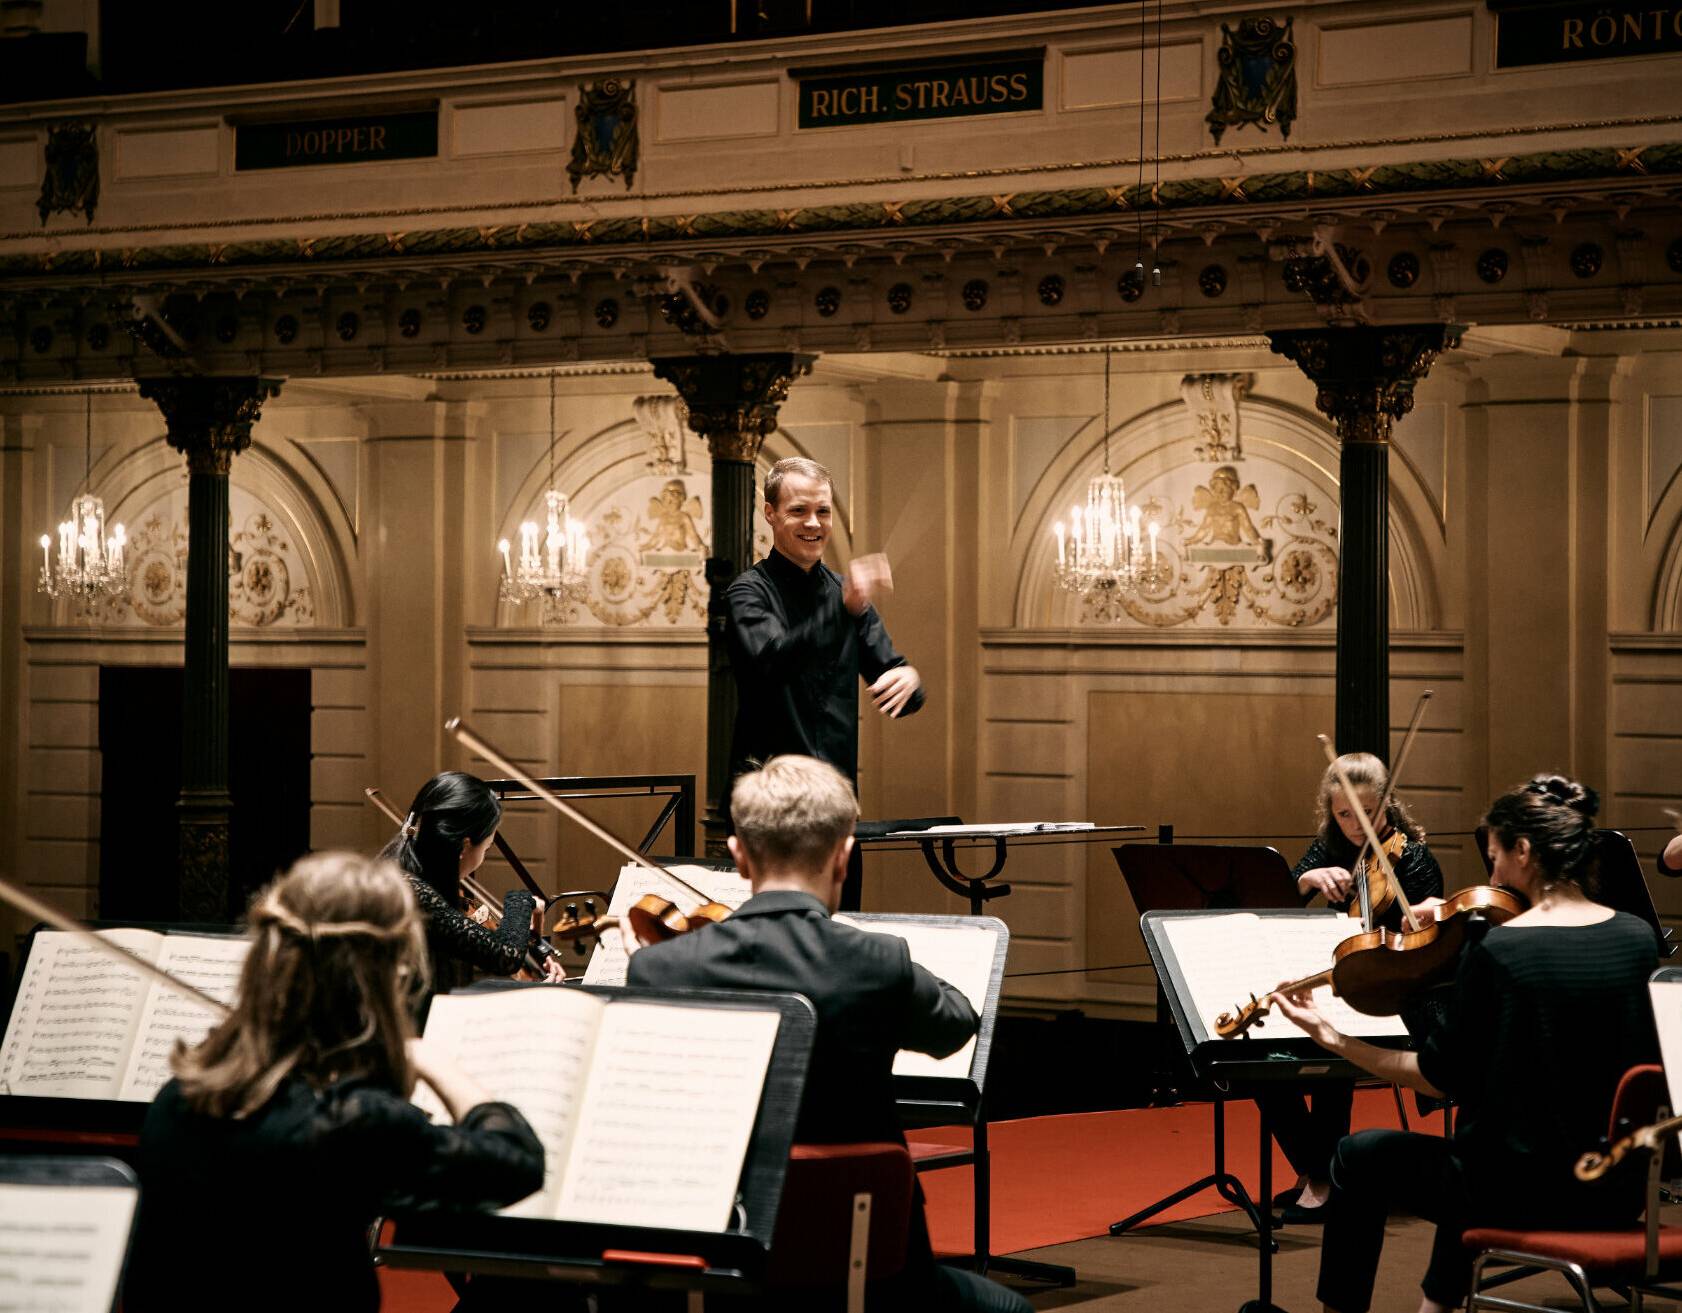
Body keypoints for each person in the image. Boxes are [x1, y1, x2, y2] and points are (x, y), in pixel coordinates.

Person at [626, 755, 1029, 1313]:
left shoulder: (660, 969)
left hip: (718, 1269)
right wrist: (874, 951)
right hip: (874, 1271)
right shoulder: (878, 961)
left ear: (738, 856)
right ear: (843, 856)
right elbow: (954, 1025)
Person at [1271, 775, 1659, 1313]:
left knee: (1359, 1154)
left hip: (1514, 1195)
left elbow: (1437, 1077)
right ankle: (1438, 1301)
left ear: (1524, 851)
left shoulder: (1498, 950)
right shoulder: (1638, 937)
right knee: (1485, 1145)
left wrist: (1333, 1037)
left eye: (1495, 858)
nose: (1492, 876)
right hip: (1617, 1191)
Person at [128, 852, 545, 1312]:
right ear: (385, 977)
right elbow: (517, 1162)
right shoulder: (348, 1122)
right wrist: (432, 1061)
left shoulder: (179, 1098)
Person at [725, 456, 924, 908]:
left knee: (843, 923)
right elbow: (772, 661)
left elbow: (895, 677)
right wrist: (843, 609)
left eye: (823, 511)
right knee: (773, 932)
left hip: (835, 806)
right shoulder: (748, 592)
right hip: (768, 806)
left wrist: (910, 678)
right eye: (798, 511)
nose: (814, 523)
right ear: (770, 513)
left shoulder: (845, 595)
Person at [1264, 750, 1445, 1224]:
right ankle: (1317, 1169)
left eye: (1366, 812)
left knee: (1334, 1057)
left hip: (1396, 995)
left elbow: (1426, 950)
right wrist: (1305, 880)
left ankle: (1323, 1184)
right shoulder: (1328, 849)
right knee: (1261, 1061)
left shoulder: (1413, 858)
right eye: (1344, 814)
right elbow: (1278, 903)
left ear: (1387, 804)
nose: (1355, 825)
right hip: (1336, 985)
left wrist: (1412, 921)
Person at [380, 770, 564, 993]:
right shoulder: (413, 894)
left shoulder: (396, 871)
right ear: (464, 846)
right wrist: (522, 900)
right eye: (486, 848)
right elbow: (505, 955)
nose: (483, 857)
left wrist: (532, 951)